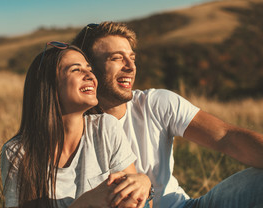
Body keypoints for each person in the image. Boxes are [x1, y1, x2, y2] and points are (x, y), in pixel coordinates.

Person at [71, 22, 263, 208]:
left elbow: (225, 136)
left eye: (132, 58)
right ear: (88, 68)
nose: (131, 66)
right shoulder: (71, 128)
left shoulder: (156, 103)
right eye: (117, 58)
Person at [0, 42, 153, 208]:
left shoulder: (105, 128)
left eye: (89, 69)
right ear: (50, 85)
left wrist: (143, 182)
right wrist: (84, 202)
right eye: (76, 69)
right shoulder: (17, 153)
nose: (90, 76)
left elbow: (137, 200)